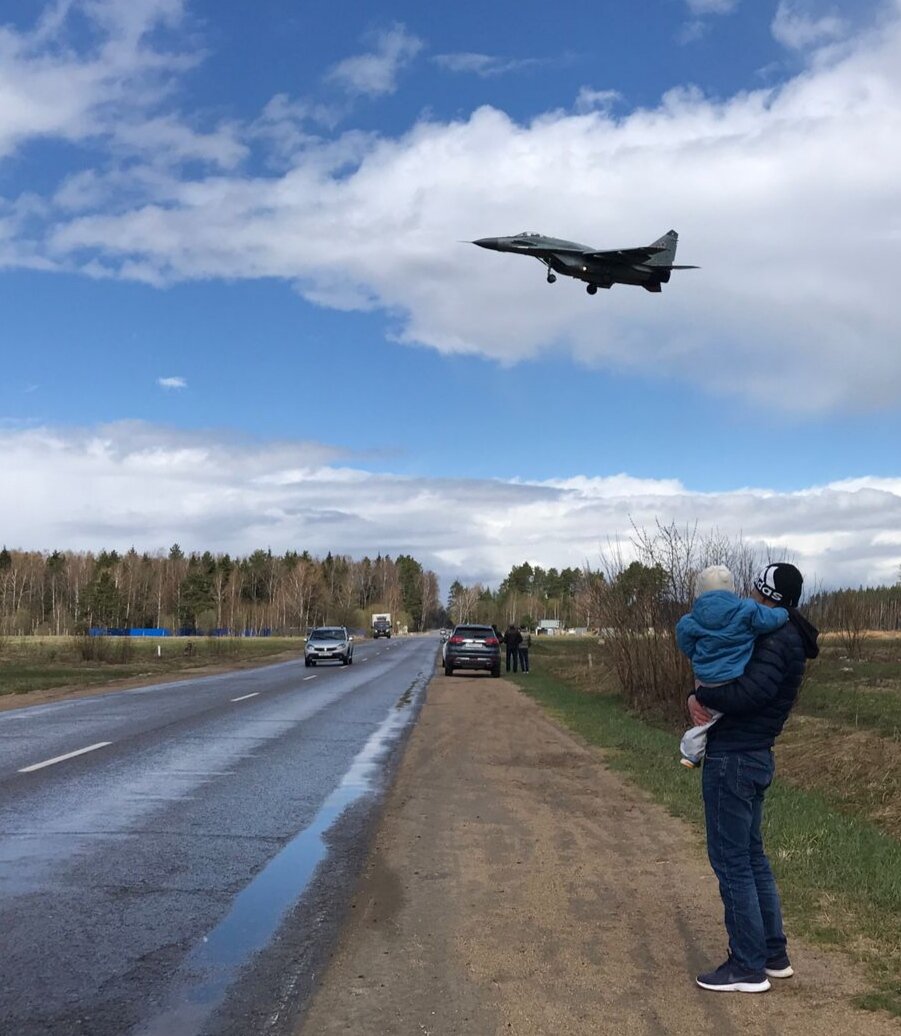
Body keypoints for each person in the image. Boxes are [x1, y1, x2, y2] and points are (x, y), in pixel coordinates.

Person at [688, 563, 819, 994]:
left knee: (732, 863)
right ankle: (772, 953)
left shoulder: (777, 640)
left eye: (759, 593)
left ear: (769, 596)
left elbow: (749, 694)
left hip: (736, 758)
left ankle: (747, 966)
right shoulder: (785, 636)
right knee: (751, 857)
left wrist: (702, 694)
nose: (753, 600)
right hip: (754, 755)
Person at [675, 565, 788, 767]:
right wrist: (783, 613)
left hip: (705, 678)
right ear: (732, 588)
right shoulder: (747, 610)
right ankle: (692, 749)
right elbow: (769, 619)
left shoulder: (691, 619)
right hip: (734, 674)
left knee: (705, 717)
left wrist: (699, 655)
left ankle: (692, 752)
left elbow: (685, 641)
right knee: (715, 716)